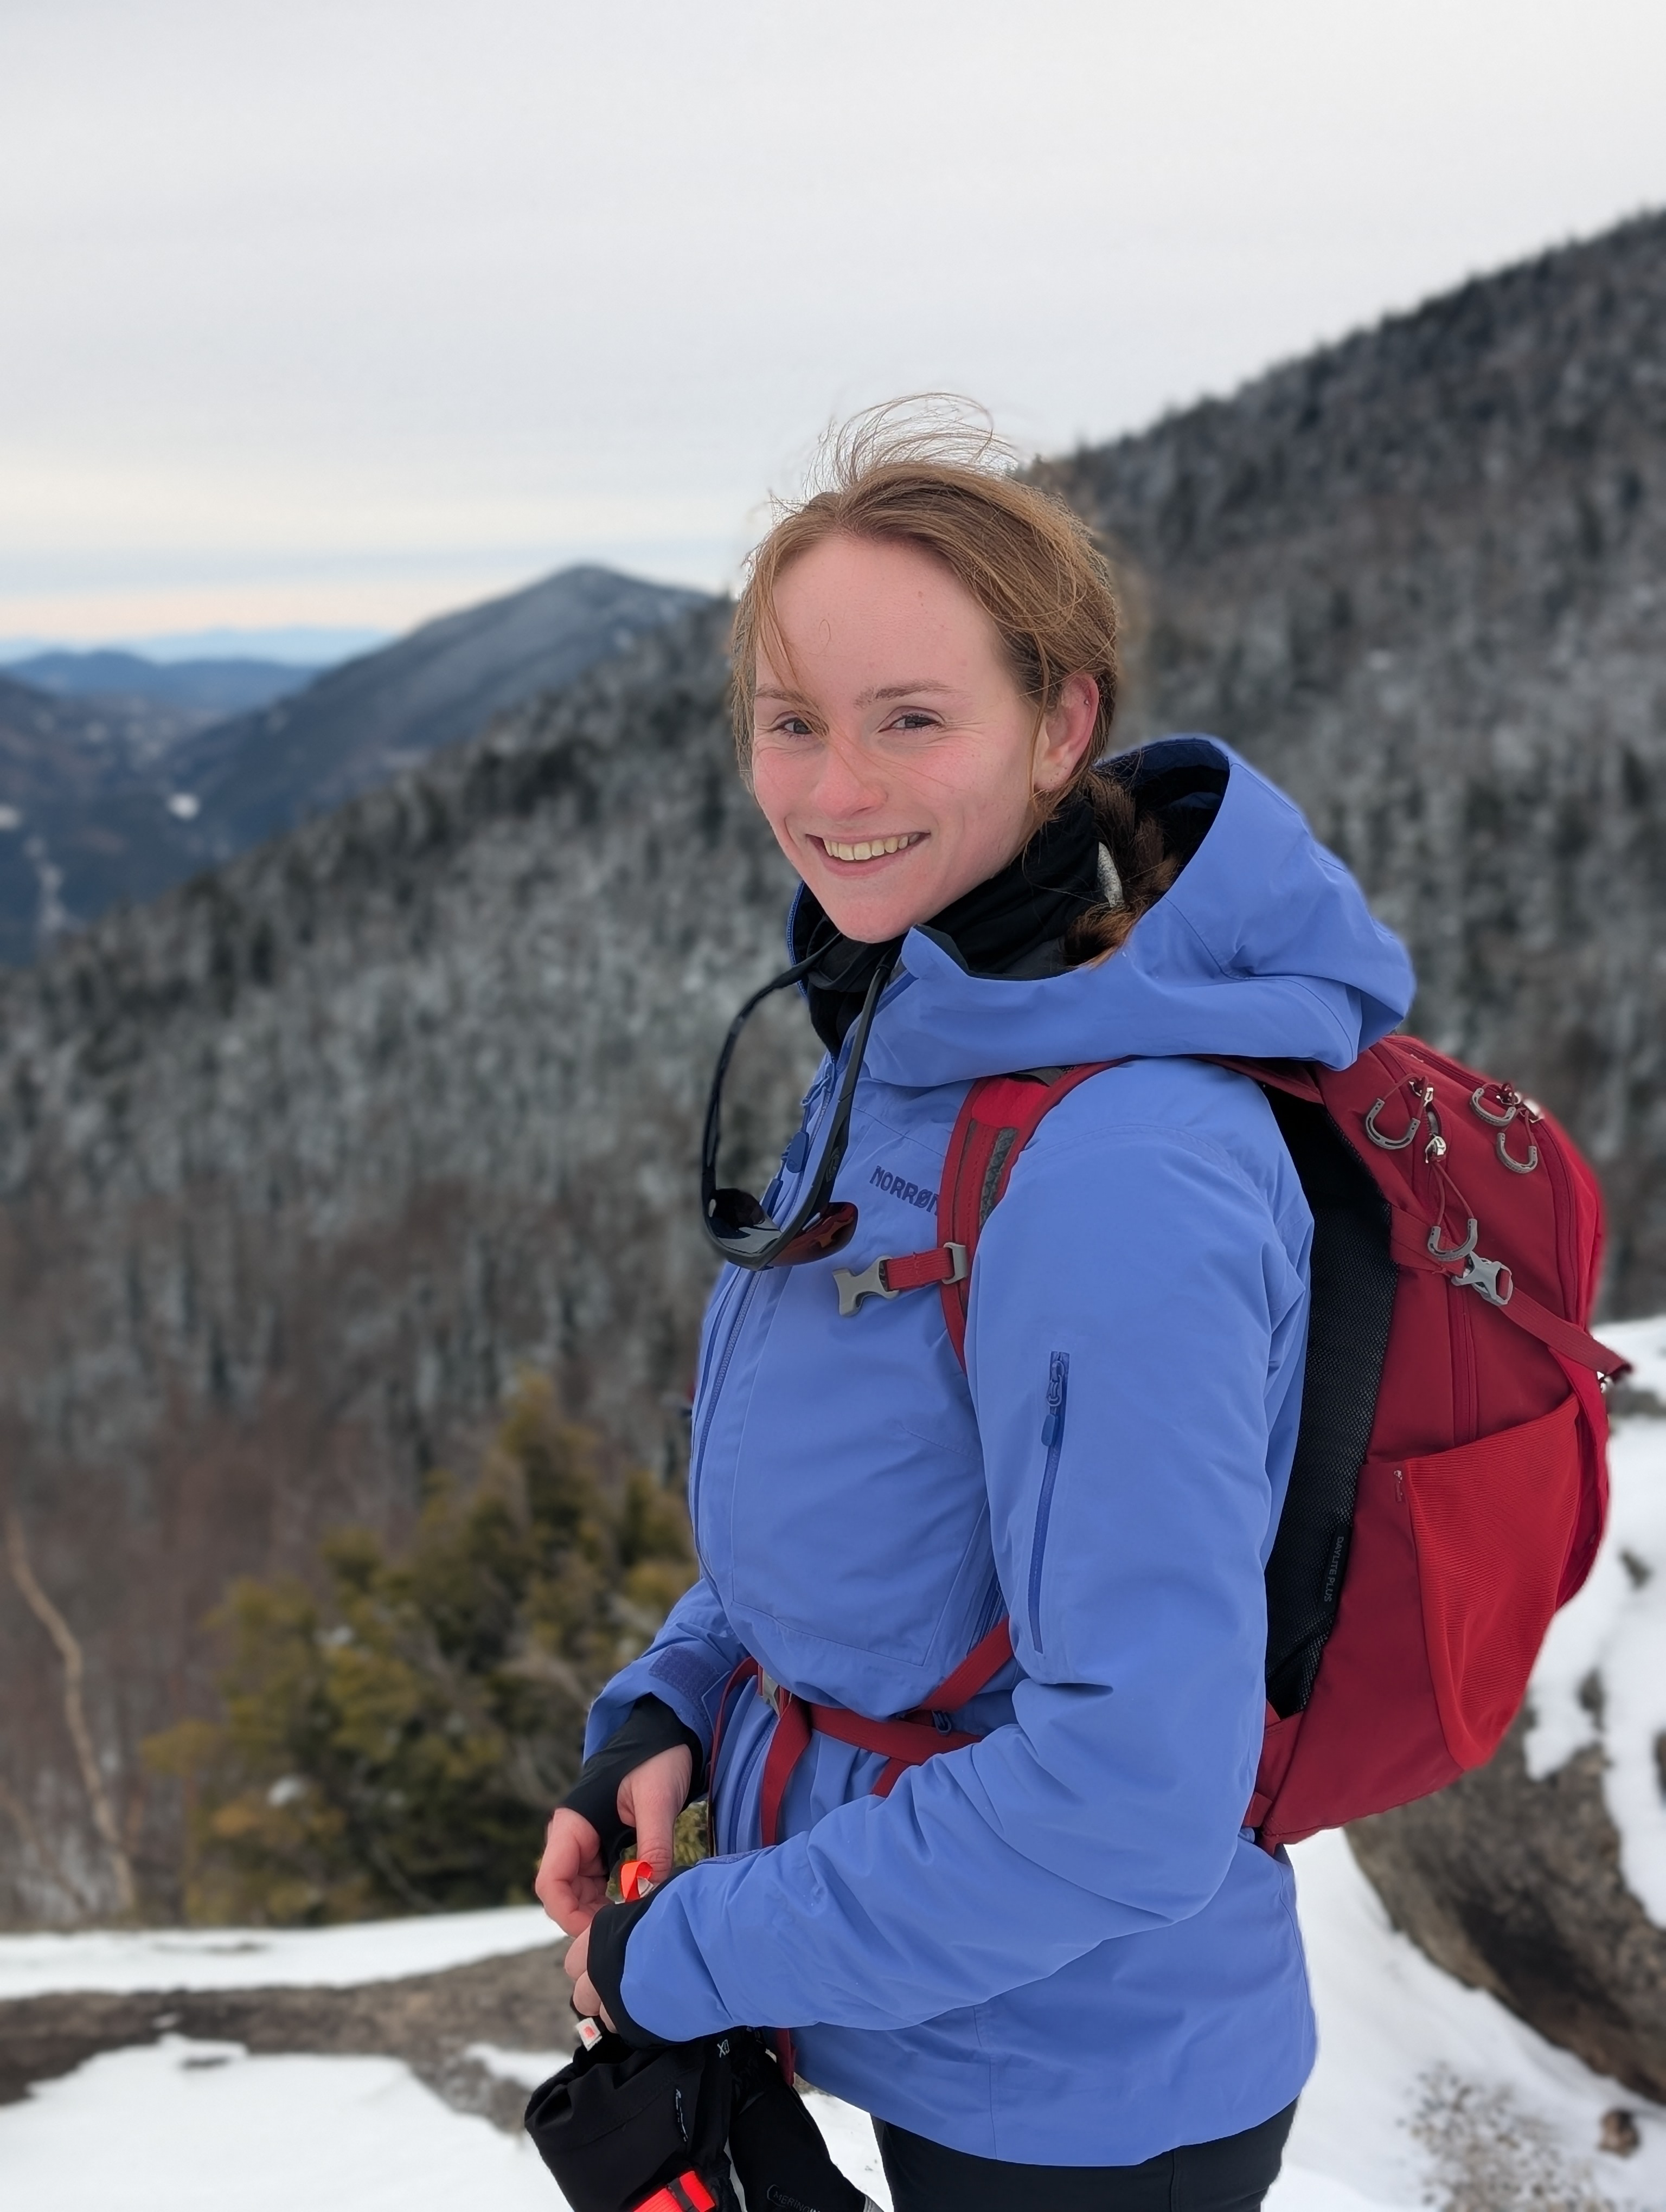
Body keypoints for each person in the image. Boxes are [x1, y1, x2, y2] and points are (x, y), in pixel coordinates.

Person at [536, 409, 1414, 2211]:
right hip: (908, 1996)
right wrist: (679, 1698)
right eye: (793, 722)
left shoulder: (1120, 1161)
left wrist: (690, 1957)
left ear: (1064, 720)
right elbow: (893, 1498)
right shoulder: (929, 1035)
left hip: (1082, 2082)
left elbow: (1124, 1791)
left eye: (909, 719)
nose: (833, 791)